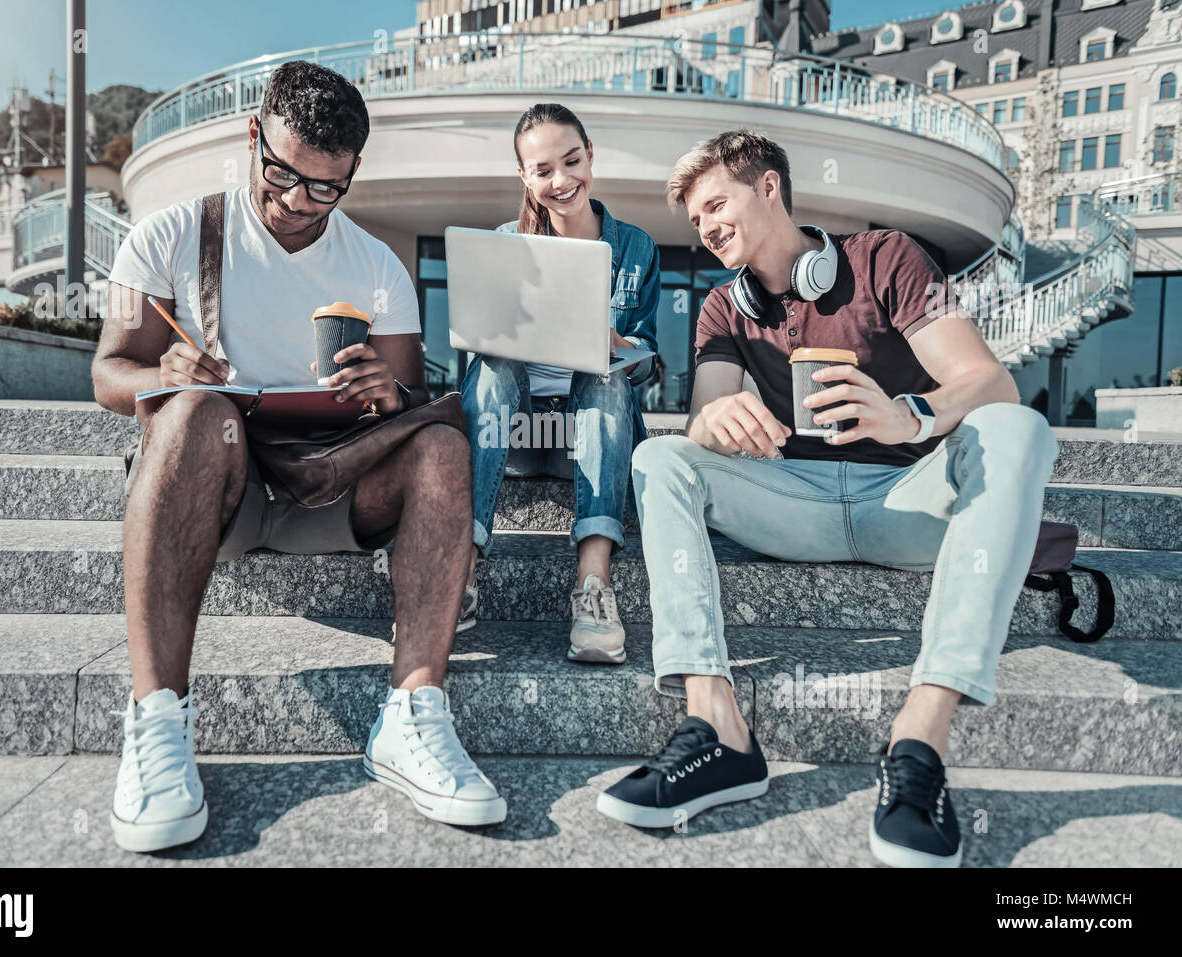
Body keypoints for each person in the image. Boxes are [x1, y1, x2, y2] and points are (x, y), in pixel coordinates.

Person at [598, 130, 1057, 868]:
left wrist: (909, 412)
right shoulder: (723, 306)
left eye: (717, 204)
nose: (708, 226)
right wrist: (714, 420)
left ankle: (919, 738)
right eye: (697, 220)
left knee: (1016, 427)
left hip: (909, 498)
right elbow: (707, 415)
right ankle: (717, 729)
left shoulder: (888, 257)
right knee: (660, 456)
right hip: (796, 502)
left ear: (770, 187)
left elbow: (989, 380)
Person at [93, 62, 505, 852]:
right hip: (223, 482)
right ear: (253, 135)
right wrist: (164, 375)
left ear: (352, 175)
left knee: (445, 446)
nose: (294, 202)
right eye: (281, 173)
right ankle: (156, 719)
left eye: (324, 188)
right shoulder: (170, 234)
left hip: (338, 487)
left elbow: (408, 401)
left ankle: (413, 714)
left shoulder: (379, 268)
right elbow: (107, 372)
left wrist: (390, 391)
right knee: (193, 417)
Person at [459, 103, 660, 664]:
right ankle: (461, 571)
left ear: (591, 156)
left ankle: (593, 585)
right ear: (524, 176)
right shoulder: (504, 243)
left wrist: (624, 346)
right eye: (542, 170)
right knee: (493, 365)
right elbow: (477, 363)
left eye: (572, 161)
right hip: (516, 434)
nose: (561, 181)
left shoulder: (637, 247)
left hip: (590, 438)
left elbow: (647, 360)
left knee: (605, 375)